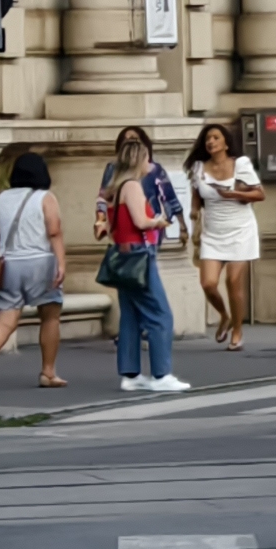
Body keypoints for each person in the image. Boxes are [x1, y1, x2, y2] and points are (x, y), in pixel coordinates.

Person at [100, 132, 185, 393]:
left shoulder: (114, 188)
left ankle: (131, 373)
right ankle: (161, 374)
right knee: (160, 314)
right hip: (138, 253)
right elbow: (140, 221)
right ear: (140, 159)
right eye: (147, 158)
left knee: (131, 316)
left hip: (123, 254)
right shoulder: (132, 186)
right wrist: (158, 221)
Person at [0, 153, 68, 389]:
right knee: (50, 316)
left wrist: (3, 255)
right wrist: (60, 263)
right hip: (41, 262)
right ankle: (48, 373)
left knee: (5, 320)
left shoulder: (2, 199)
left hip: (9, 264)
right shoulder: (45, 197)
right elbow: (54, 231)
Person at [186, 124, 265, 349]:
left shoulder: (240, 164)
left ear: (226, 143)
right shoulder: (198, 168)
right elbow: (196, 194)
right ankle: (224, 316)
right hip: (213, 232)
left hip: (240, 229)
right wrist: (193, 211)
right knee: (208, 283)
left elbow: (260, 194)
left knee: (233, 281)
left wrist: (235, 194)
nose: (210, 142)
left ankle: (238, 330)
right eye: (207, 139)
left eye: (215, 137)